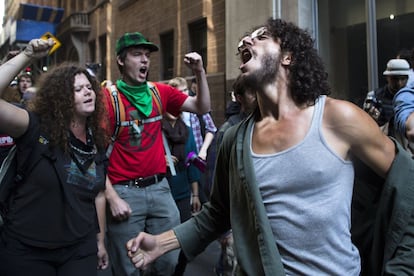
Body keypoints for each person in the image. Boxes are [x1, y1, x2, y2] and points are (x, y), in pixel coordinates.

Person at [125, 18, 414, 275]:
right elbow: (218, 213)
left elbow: (407, 183)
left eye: (262, 36)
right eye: (245, 41)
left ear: (288, 57)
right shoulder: (234, 140)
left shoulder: (338, 117)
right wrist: (161, 243)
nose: (246, 41)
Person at [103, 32, 211, 276]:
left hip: (161, 189)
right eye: (136, 55)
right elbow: (94, 157)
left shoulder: (159, 92)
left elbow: (202, 107)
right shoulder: (108, 100)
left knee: (168, 263)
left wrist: (200, 72)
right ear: (121, 60)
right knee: (128, 268)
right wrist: (112, 198)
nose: (144, 61)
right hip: (124, 192)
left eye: (147, 55)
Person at [0, 39, 109, 275]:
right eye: (77, 89)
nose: (87, 92)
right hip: (27, 251)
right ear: (60, 98)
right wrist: (27, 55)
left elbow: (98, 194)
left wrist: (100, 242)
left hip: (79, 248)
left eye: (89, 87)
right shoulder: (35, 128)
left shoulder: (96, 140)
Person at [214, 75, 257, 276]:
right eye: (251, 92)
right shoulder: (228, 131)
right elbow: (217, 184)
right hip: (236, 221)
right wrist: (225, 230)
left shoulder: (261, 125)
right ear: (239, 98)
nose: (258, 96)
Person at [162, 108, 201, 275]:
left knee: (185, 241)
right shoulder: (156, 131)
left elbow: (193, 164)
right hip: (162, 193)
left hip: (183, 193)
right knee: (163, 241)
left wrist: (196, 194)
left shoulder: (187, 131)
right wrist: (159, 158)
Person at [183, 78, 217, 203]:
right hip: (182, 163)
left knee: (204, 195)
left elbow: (211, 128)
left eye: (184, 90)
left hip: (198, 159)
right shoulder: (172, 113)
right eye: (179, 91)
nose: (183, 93)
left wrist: (203, 150)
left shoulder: (196, 107)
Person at [362, 58, 410, 135]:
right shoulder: (375, 96)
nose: (399, 83)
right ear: (387, 77)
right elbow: (365, 126)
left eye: (403, 79)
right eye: (395, 79)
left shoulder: (411, 96)